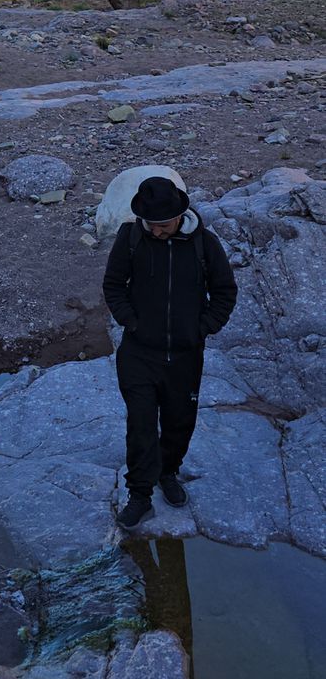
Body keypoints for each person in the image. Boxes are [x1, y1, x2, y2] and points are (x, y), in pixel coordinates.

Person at [102, 174, 237, 531]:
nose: (157, 231)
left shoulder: (205, 245)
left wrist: (201, 328)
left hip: (185, 355)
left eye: (163, 225)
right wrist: (131, 321)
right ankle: (140, 496)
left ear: (179, 215)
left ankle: (169, 472)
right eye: (151, 224)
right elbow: (113, 286)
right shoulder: (130, 239)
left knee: (179, 422)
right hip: (138, 353)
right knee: (141, 424)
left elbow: (224, 292)